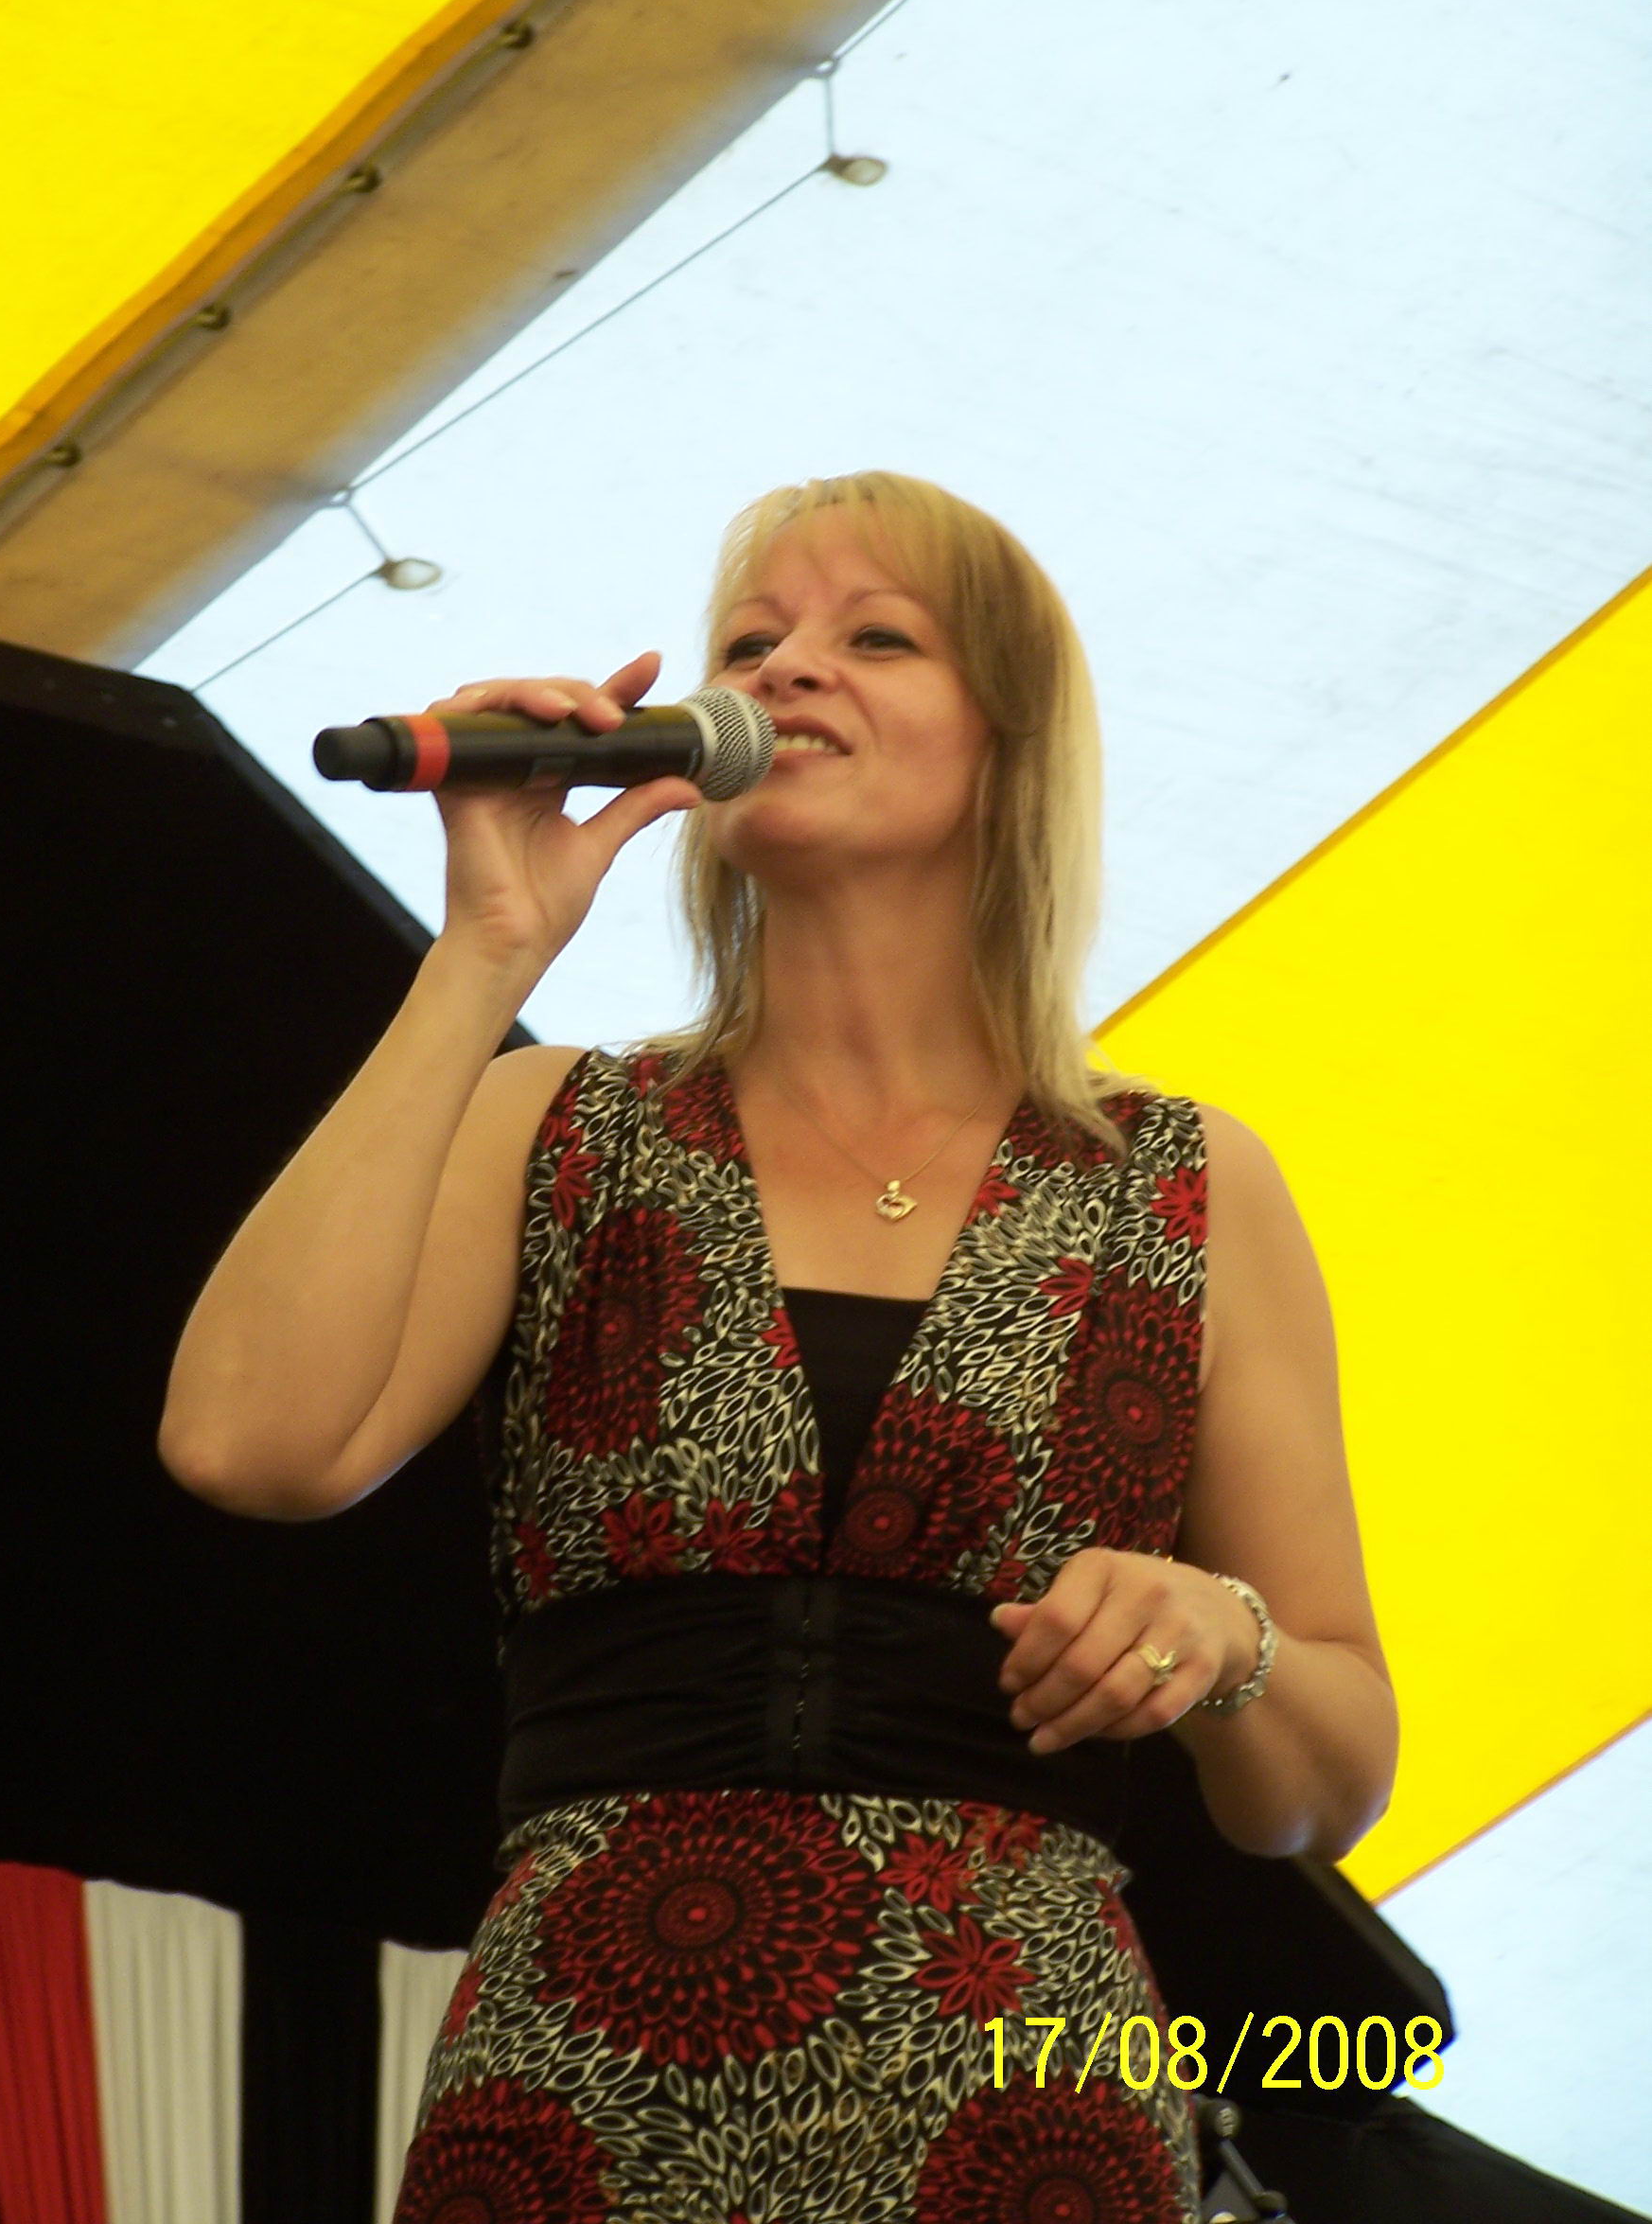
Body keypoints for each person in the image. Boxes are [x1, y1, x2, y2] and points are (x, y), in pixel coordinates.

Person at [159, 469, 1398, 2222]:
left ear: (1010, 747)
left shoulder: (1183, 1184)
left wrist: (1222, 1637)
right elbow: (246, 1445)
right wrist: (485, 951)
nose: (786, 669)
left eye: (875, 638)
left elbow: (1327, 1786)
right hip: (585, 2073)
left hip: (1020, 2098)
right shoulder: (561, 1122)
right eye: (751, 642)